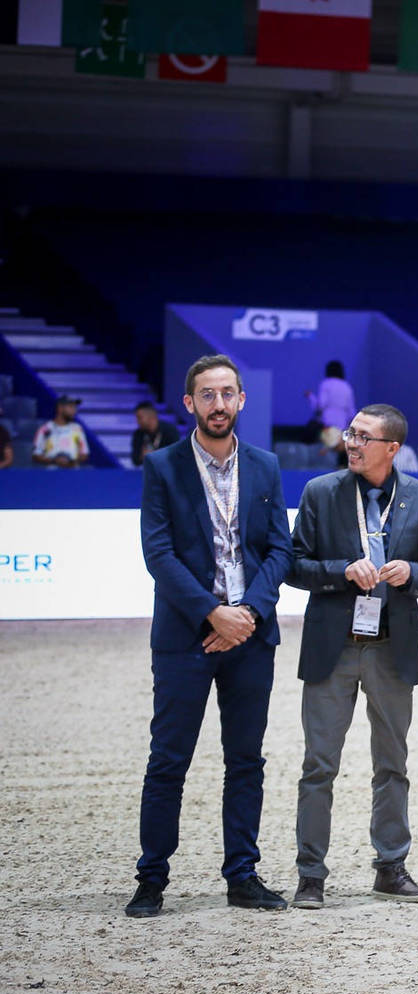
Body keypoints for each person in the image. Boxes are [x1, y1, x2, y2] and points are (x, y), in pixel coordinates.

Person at [125, 355, 293, 918]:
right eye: (207, 395)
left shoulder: (267, 466)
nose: (218, 404)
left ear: (241, 400)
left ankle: (242, 875)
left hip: (250, 635)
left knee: (246, 760)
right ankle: (152, 878)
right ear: (189, 403)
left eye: (227, 394)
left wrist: (245, 613)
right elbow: (159, 554)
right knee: (168, 760)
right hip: (186, 638)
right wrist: (211, 615)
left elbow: (279, 550)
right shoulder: (163, 466)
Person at [285, 404, 418, 909]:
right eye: (350, 434)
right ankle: (311, 876)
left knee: (393, 764)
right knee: (318, 766)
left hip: (392, 649)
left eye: (362, 437)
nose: (350, 443)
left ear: (392, 449)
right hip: (333, 648)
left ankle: (391, 868)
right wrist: (341, 571)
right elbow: (294, 565)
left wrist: (410, 575)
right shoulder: (320, 493)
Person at [32, 395, 89, 467]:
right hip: (51, 473)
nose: (74, 410)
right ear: (60, 408)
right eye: (71, 407)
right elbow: (36, 455)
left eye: (75, 407)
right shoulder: (45, 429)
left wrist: (71, 462)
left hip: (73, 473)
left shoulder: (77, 429)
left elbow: (84, 453)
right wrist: (54, 461)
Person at [307, 361, 356, 439]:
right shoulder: (347, 386)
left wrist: (311, 397)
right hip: (342, 427)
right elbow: (351, 411)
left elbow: (320, 407)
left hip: (327, 426)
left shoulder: (326, 384)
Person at [131, 401, 180, 467]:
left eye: (140, 418)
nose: (137, 421)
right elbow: (135, 460)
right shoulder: (138, 434)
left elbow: (176, 456)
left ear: (150, 416)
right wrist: (142, 457)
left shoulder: (170, 431)